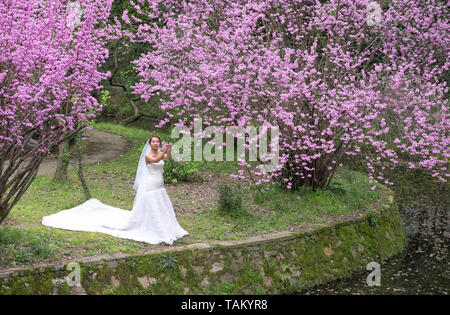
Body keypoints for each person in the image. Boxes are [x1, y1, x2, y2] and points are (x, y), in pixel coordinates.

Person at [41, 135, 189, 245]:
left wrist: (167, 151)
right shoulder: (148, 155)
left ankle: (167, 226)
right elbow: (156, 160)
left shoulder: (160, 153)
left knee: (161, 204)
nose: (156, 143)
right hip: (150, 184)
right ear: (150, 144)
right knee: (151, 204)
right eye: (154, 141)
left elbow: (166, 158)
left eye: (158, 141)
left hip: (159, 185)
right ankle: (154, 228)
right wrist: (164, 151)